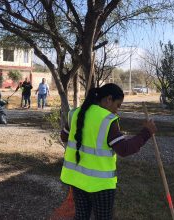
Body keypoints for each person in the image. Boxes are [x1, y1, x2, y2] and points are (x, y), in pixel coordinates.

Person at [60, 83, 157, 220]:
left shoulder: (75, 113)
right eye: (117, 105)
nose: (116, 111)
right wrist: (146, 132)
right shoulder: (107, 120)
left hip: (76, 179)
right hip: (100, 184)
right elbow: (124, 149)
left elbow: (64, 136)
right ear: (108, 99)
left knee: (81, 216)